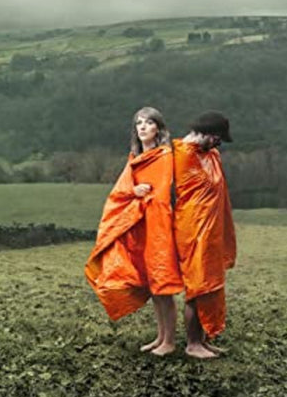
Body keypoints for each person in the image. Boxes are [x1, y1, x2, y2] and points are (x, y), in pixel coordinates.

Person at [85, 107, 183, 356]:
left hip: (158, 224)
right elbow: (121, 190)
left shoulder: (163, 156)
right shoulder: (135, 157)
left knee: (162, 284)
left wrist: (140, 195)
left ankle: (170, 342)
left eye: (148, 123)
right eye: (138, 123)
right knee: (152, 285)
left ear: (158, 129)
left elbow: (160, 195)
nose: (142, 127)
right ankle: (160, 337)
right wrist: (134, 192)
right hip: (139, 226)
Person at [173, 111, 236, 359]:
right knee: (197, 287)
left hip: (211, 233)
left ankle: (203, 339)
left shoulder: (210, 155)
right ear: (208, 134)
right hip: (193, 231)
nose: (219, 143)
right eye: (218, 138)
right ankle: (192, 344)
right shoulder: (182, 155)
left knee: (210, 285)